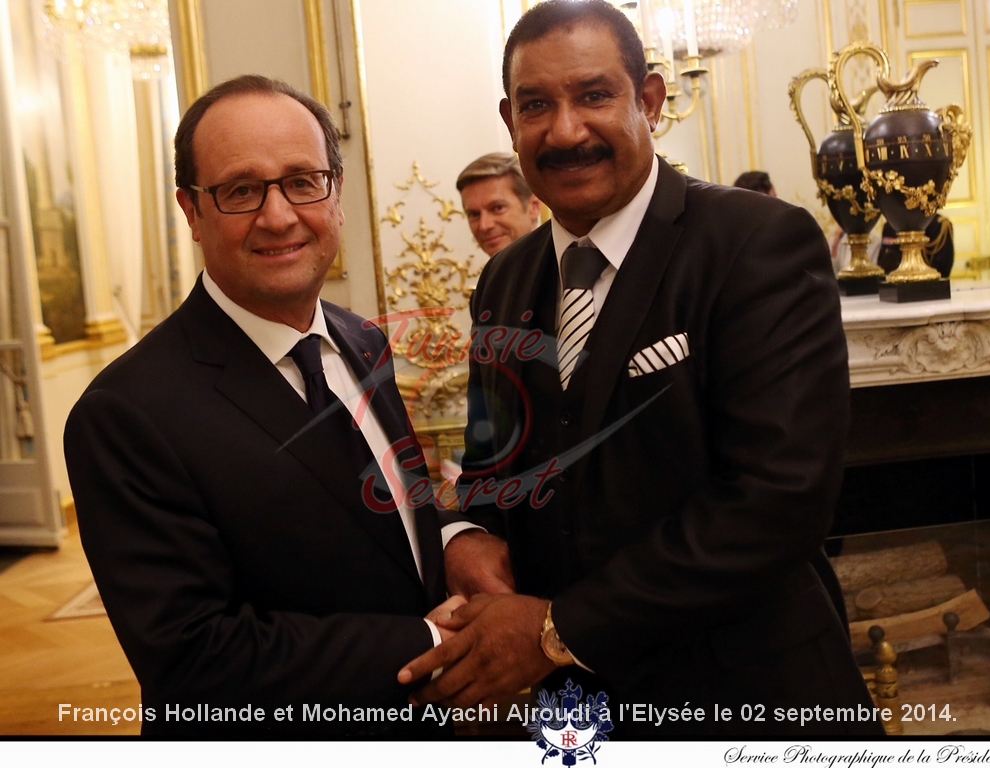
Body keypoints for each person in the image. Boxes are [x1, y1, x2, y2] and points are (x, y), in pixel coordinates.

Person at [399, 0, 883, 737]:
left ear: (649, 101)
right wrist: (463, 533)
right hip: (581, 720)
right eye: (537, 105)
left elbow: (776, 501)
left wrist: (556, 628)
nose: (565, 131)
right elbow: (491, 466)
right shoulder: (502, 282)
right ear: (509, 120)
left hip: (749, 700)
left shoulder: (756, 245)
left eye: (594, 95)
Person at [63, 75, 460, 736]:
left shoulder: (362, 340)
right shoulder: (125, 414)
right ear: (191, 211)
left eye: (303, 180)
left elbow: (388, 525)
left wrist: (455, 541)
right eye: (241, 190)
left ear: (335, 192)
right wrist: (424, 641)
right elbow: (194, 662)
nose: (279, 216)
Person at [457, 152, 541, 256]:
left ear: (534, 206)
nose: (484, 226)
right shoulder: (492, 272)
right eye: (474, 214)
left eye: (498, 208)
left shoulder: (563, 268)